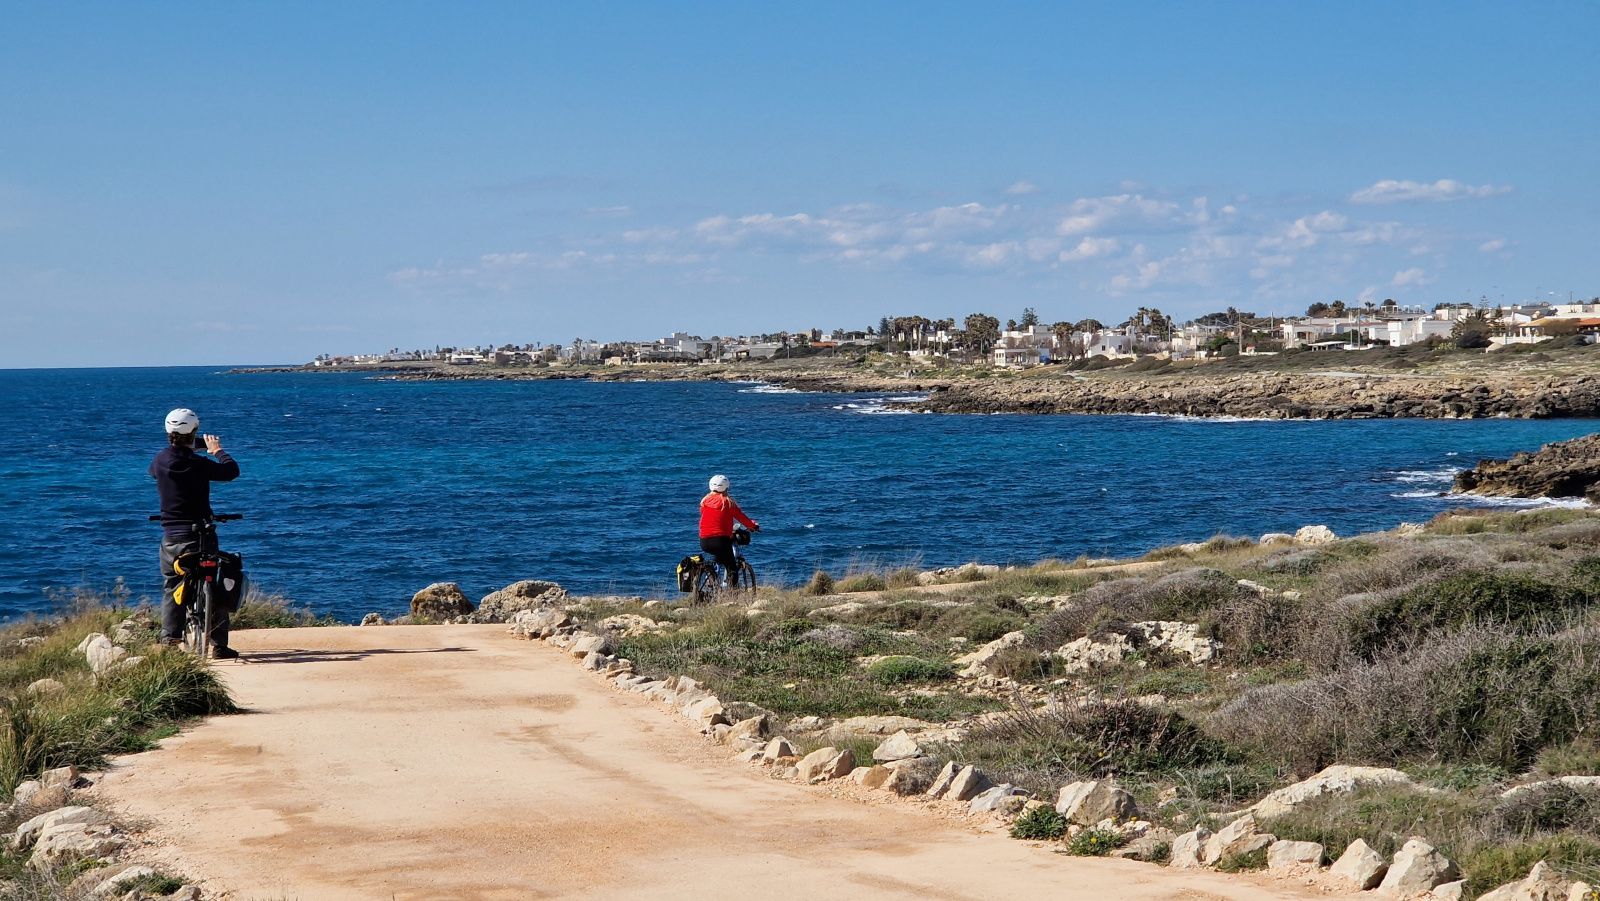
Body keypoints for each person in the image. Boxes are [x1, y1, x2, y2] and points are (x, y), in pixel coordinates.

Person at [150, 408, 241, 658]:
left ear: (168, 433)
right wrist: (216, 450)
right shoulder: (199, 463)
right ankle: (219, 645)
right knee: (216, 580)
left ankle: (170, 640)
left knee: (172, 585)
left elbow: (156, 472)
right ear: (194, 432)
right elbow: (231, 471)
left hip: (172, 538)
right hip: (200, 535)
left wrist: (187, 449)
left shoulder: (160, 460)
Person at [699, 474, 759, 587]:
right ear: (726, 488)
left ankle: (711, 580)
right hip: (720, 540)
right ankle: (731, 594)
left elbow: (713, 519)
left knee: (719, 557)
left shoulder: (704, 502)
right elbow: (741, 517)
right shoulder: (728, 503)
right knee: (732, 567)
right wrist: (753, 526)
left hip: (704, 541)